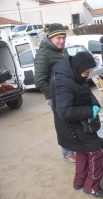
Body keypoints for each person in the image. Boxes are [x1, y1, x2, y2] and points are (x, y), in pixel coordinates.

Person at [50, 51, 103, 198]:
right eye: (86, 72)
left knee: (82, 151)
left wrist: (94, 104)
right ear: (79, 68)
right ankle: (91, 186)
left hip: (78, 124)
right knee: (96, 151)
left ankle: (79, 181)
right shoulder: (64, 82)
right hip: (72, 126)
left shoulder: (75, 75)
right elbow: (65, 111)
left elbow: (86, 92)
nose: (88, 75)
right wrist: (89, 111)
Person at [34, 23, 76, 165]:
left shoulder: (62, 51)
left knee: (72, 121)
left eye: (63, 37)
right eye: (58, 38)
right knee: (63, 124)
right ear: (50, 38)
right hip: (56, 98)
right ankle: (67, 153)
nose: (62, 41)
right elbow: (39, 81)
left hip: (68, 94)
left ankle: (75, 148)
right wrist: (55, 96)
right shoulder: (44, 53)